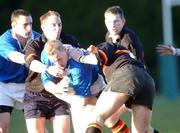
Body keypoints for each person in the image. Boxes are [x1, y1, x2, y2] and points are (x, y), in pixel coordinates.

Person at [24, 10, 79, 133]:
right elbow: (32, 63)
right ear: (43, 27)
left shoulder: (69, 41)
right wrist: (48, 69)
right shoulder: (35, 44)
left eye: (59, 25)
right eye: (53, 25)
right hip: (36, 95)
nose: (57, 28)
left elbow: (80, 62)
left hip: (60, 96)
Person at [83, 43, 156, 133]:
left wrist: (92, 53)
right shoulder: (125, 55)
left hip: (128, 73)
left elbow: (97, 55)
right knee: (143, 131)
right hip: (147, 79)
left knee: (96, 117)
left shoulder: (109, 46)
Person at [41, 40, 106, 133]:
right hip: (76, 88)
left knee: (100, 121)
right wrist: (57, 88)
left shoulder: (78, 68)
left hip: (95, 88)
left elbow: (82, 101)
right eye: (54, 62)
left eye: (59, 59)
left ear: (65, 50)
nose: (58, 64)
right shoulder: (47, 55)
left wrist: (59, 92)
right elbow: (46, 81)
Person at [0, 9, 40, 133]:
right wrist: (31, 60)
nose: (29, 28)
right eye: (25, 25)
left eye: (31, 24)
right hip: (3, 87)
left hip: (27, 87)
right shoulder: (4, 40)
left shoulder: (38, 38)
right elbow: (13, 56)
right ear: (14, 25)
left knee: (38, 130)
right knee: (2, 128)